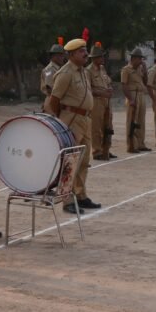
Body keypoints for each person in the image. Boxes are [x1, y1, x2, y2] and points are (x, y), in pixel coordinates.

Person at [47, 38, 101, 214]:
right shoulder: (65, 73)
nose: (85, 53)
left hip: (85, 119)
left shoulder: (83, 72)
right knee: (70, 161)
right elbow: (54, 100)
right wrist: (61, 119)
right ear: (71, 55)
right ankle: (67, 199)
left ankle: (80, 195)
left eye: (85, 50)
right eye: (81, 51)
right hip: (72, 119)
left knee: (84, 160)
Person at [89, 42, 116, 159]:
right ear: (94, 58)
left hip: (106, 101)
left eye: (103, 56)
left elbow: (108, 81)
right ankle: (97, 151)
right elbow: (88, 89)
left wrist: (109, 88)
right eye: (100, 57)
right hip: (96, 101)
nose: (103, 58)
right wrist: (102, 92)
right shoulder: (88, 71)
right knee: (96, 127)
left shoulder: (102, 69)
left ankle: (106, 149)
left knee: (108, 126)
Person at [120, 49, 151, 153]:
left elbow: (146, 82)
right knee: (132, 121)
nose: (141, 61)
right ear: (133, 59)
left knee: (141, 121)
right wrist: (130, 99)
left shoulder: (140, 69)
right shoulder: (126, 70)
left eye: (141, 59)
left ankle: (141, 143)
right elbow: (124, 85)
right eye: (139, 59)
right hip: (132, 95)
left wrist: (145, 71)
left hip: (141, 95)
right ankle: (131, 145)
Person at [41, 39, 66, 111]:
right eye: (60, 56)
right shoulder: (49, 69)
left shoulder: (61, 68)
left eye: (62, 55)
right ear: (53, 56)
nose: (62, 58)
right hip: (52, 102)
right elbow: (50, 89)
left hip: (59, 101)